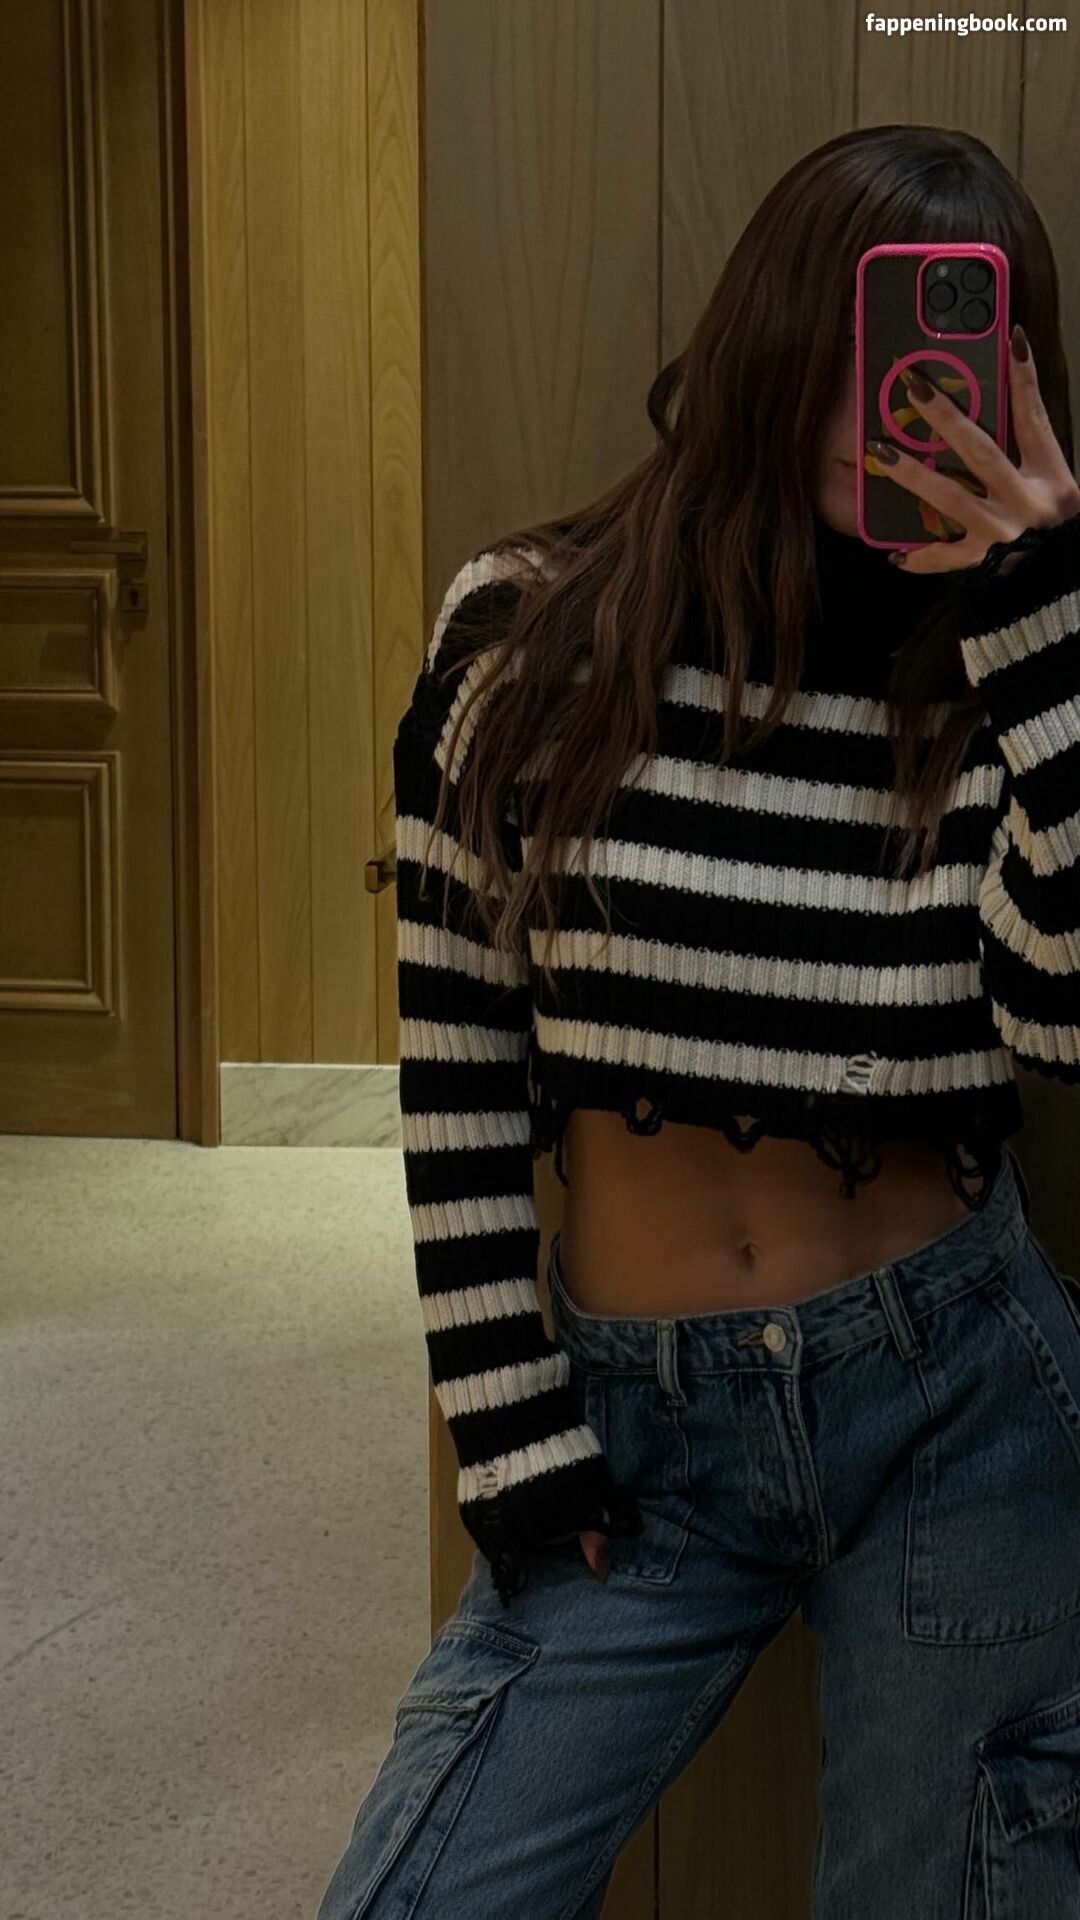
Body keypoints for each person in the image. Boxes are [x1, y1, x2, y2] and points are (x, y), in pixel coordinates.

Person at [315, 124, 1080, 1920]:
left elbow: (1062, 1027)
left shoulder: (1024, 667)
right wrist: (507, 1428)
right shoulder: (529, 633)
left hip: (963, 1399)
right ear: (774, 333)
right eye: (865, 337)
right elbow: (452, 1065)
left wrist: (1040, 621)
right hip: (635, 1429)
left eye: (958, 353)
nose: (900, 403)